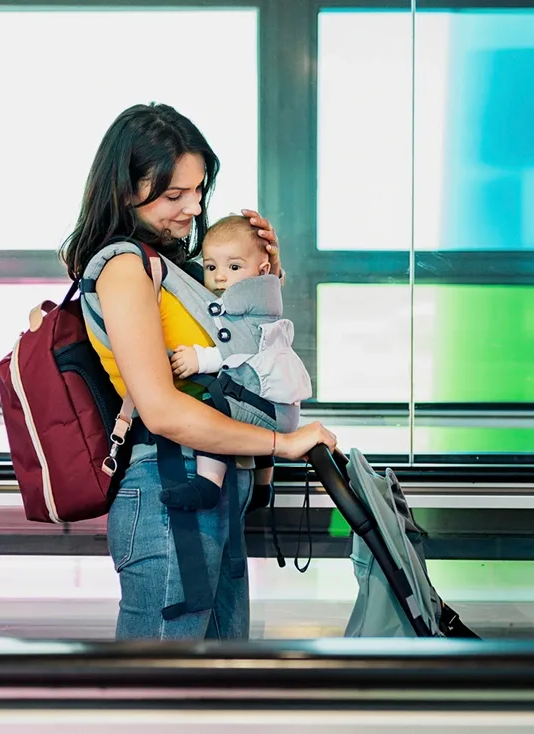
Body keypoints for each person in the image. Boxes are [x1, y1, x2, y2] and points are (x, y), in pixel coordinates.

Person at [61, 102, 338, 641]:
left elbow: (251, 350)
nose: (192, 207)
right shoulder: (123, 268)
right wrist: (282, 445)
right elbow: (162, 409)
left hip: (207, 487)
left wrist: (262, 275)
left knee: (214, 683)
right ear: (124, 190)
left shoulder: (174, 270)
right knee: (158, 692)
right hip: (169, 488)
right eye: (173, 195)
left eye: (199, 190)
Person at [169, 213, 313, 515]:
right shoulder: (265, 295)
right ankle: (262, 486)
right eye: (211, 267)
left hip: (271, 406)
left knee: (212, 408)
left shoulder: (246, 299)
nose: (220, 276)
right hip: (278, 403)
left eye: (233, 267)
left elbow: (241, 346)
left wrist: (201, 358)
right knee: (250, 426)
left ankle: (208, 482)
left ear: (261, 270)